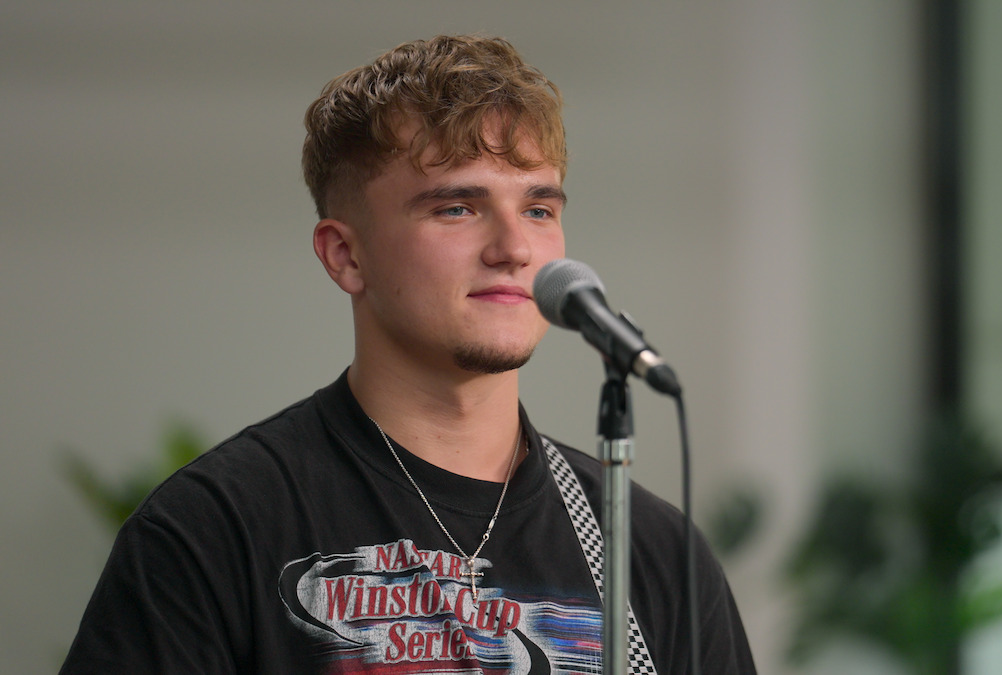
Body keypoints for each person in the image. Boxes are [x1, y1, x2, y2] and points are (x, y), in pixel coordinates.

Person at [61, 35, 755, 674]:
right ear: (346, 254)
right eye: (457, 207)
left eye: (539, 209)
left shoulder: (651, 550)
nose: (514, 248)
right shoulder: (212, 529)